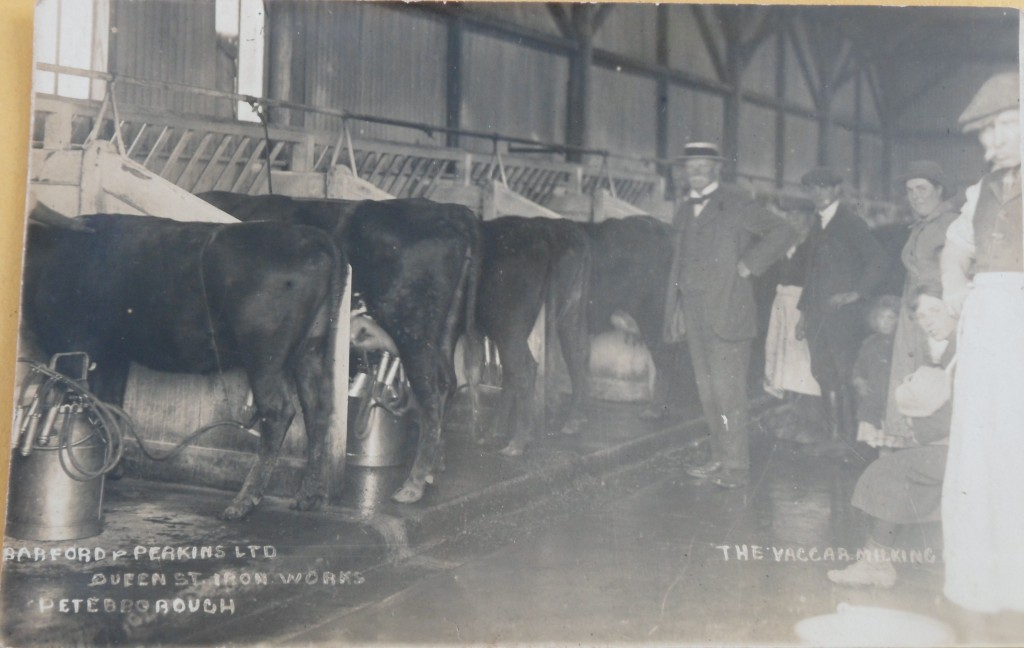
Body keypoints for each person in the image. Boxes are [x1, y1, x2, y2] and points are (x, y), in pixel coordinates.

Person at [939, 70, 1024, 622]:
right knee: (977, 450)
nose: (989, 145)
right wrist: (953, 289)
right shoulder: (981, 192)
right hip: (987, 319)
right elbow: (955, 249)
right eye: (984, 135)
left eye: (1001, 129)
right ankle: (978, 584)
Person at [663, 142, 794, 488]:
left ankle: (736, 468)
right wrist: (676, 307)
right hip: (694, 312)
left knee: (729, 394)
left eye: (703, 165)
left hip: (728, 311)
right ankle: (719, 458)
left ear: (716, 168)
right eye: (691, 166)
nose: (696, 171)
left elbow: (784, 231)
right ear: (685, 170)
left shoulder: (737, 203)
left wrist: (751, 264)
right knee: (707, 392)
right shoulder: (684, 208)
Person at [827, 288, 957, 588]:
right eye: (921, 316)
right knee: (892, 471)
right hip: (953, 444)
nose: (926, 321)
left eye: (934, 311)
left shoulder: (964, 347)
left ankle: (876, 564)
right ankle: (877, 563)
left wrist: (922, 428)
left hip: (970, 448)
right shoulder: (948, 347)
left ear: (952, 306)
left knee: (890, 471)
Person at [796, 167, 887, 457]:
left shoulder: (850, 222)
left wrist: (857, 293)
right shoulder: (818, 223)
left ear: (837, 190)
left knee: (846, 374)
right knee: (824, 373)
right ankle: (835, 436)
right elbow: (811, 274)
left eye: (824, 187)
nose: (818, 193)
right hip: (818, 316)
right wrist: (803, 314)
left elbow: (878, 260)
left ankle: (851, 441)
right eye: (812, 188)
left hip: (843, 318)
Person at [879, 161, 961, 449]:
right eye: (910, 190)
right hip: (911, 315)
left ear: (939, 190)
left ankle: (929, 450)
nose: (915, 195)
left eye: (922, 188)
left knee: (931, 381)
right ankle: (911, 449)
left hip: (931, 316)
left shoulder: (950, 224)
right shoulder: (922, 226)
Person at [850, 295, 900, 448]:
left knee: (894, 442)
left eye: (890, 317)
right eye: (881, 317)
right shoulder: (869, 343)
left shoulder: (900, 344)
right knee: (879, 443)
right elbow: (859, 367)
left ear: (899, 320)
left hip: (893, 401)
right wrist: (859, 381)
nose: (885, 322)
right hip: (874, 400)